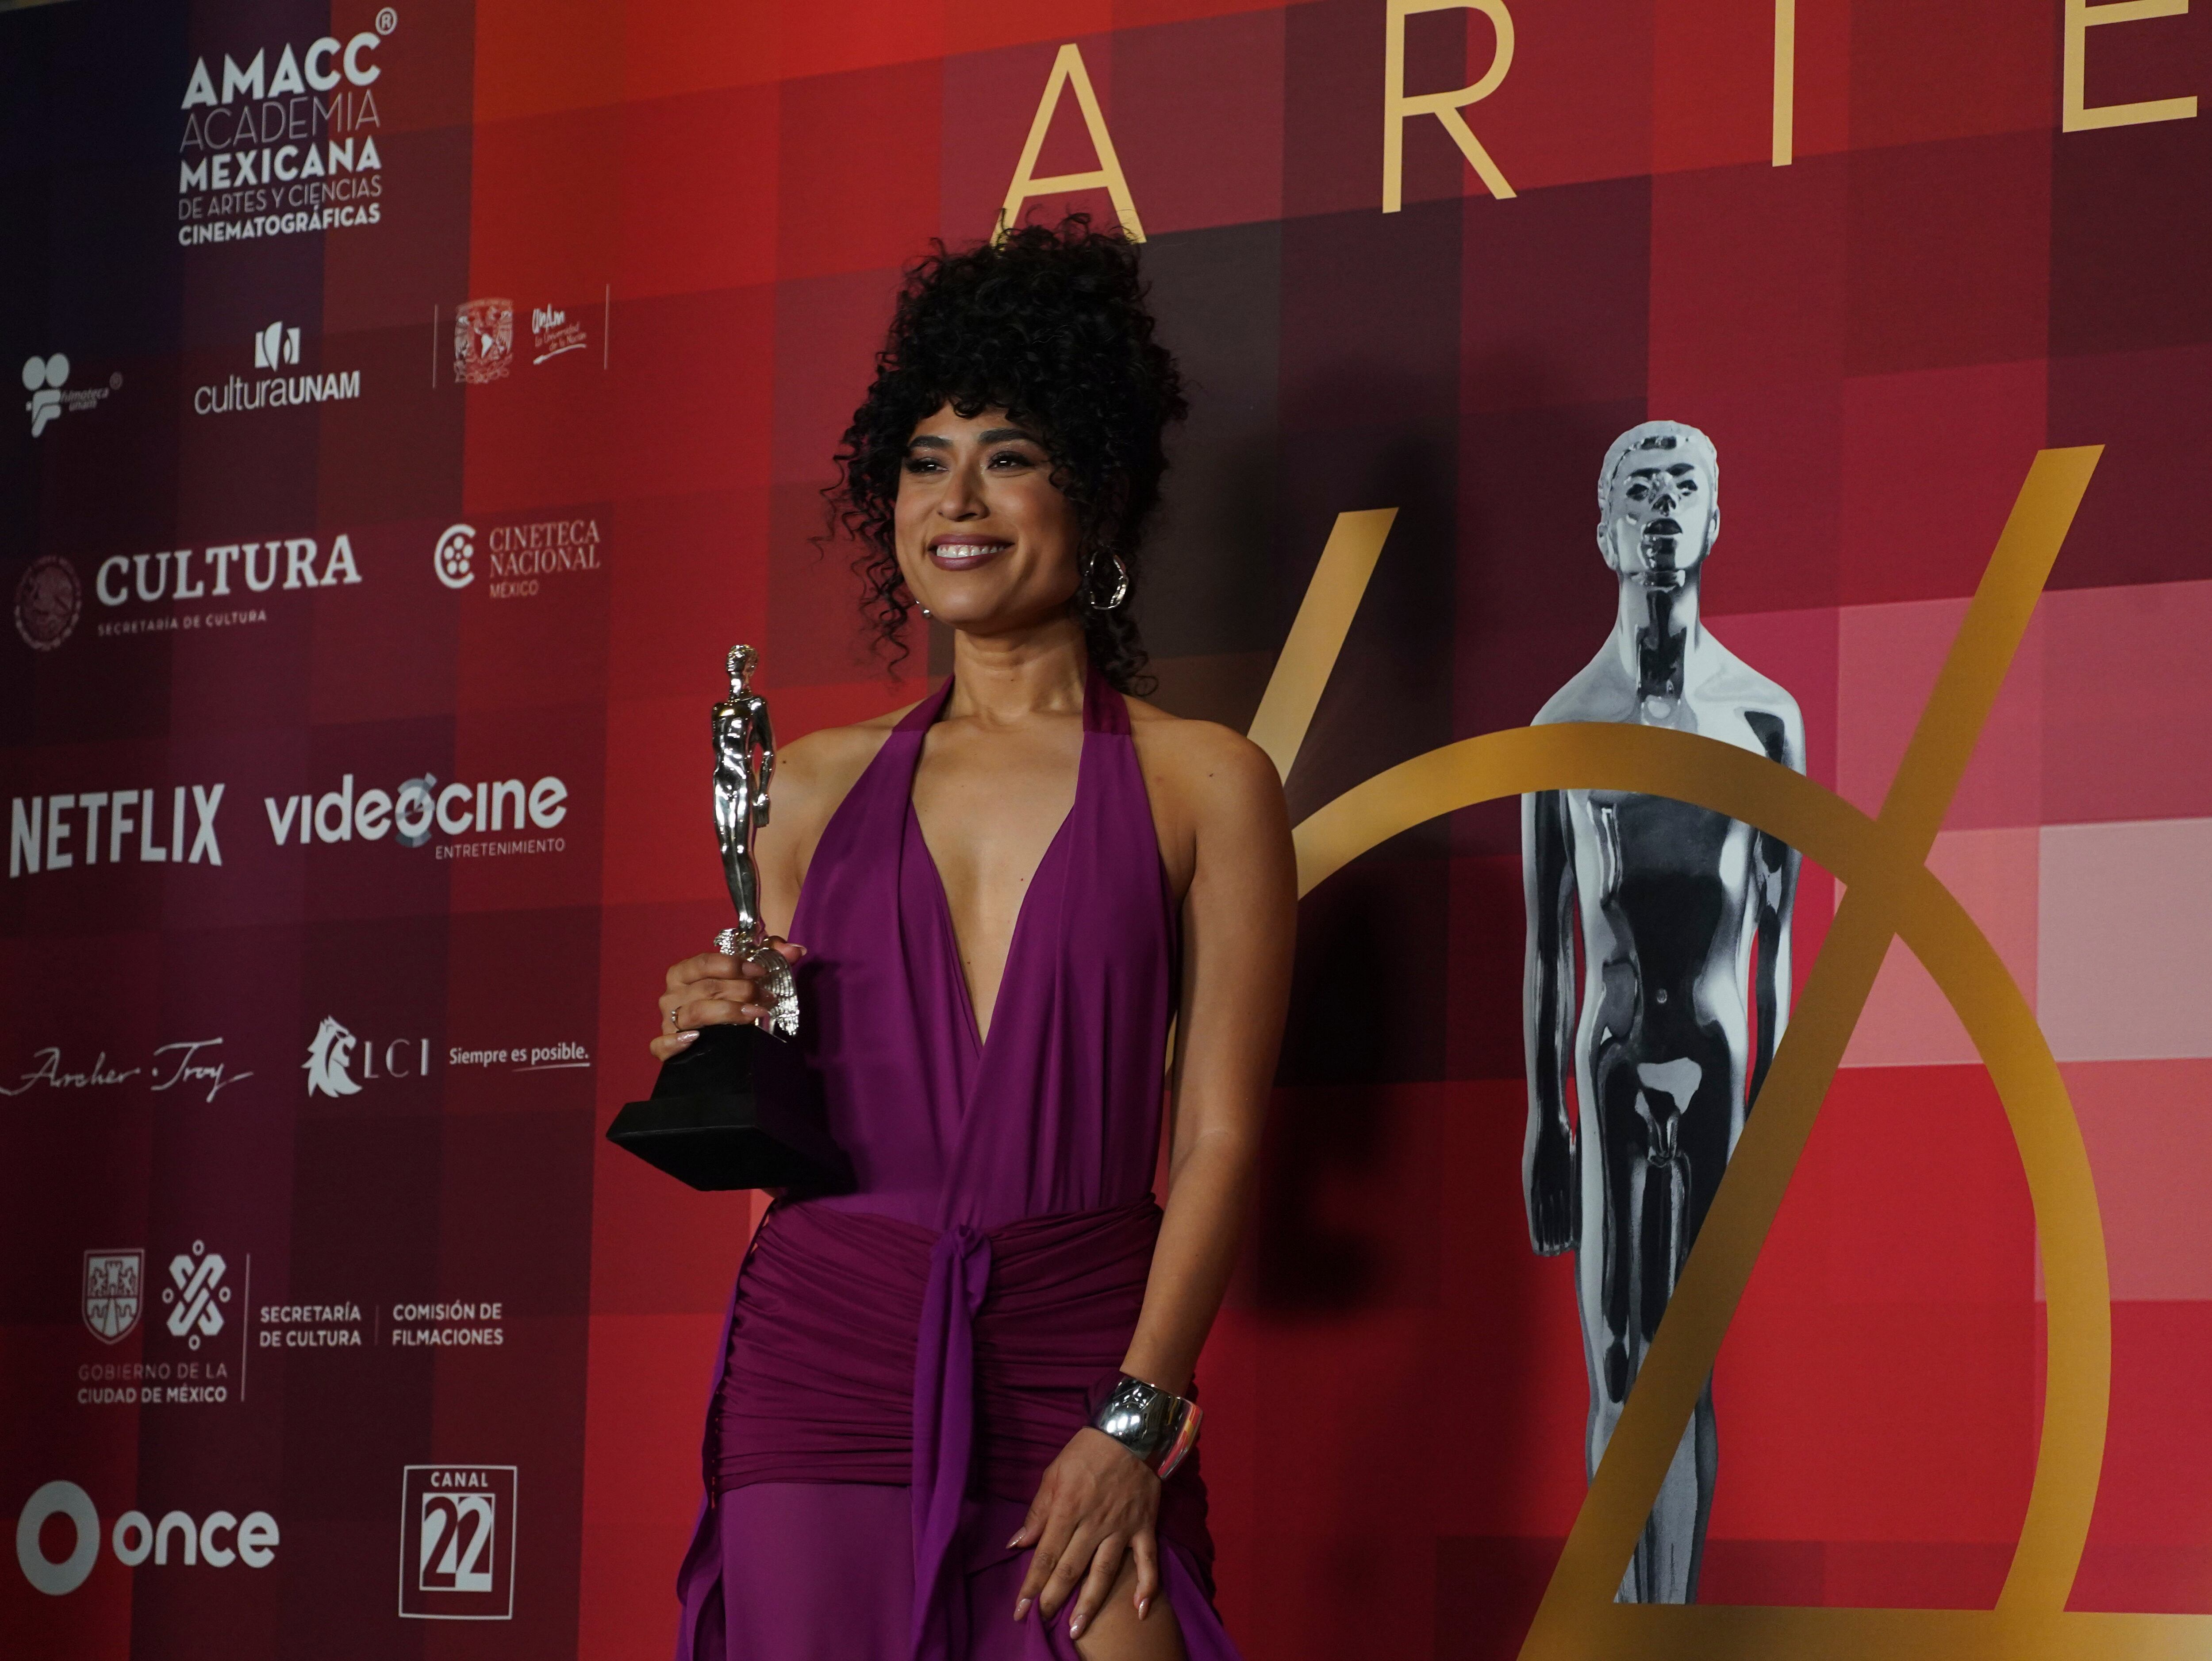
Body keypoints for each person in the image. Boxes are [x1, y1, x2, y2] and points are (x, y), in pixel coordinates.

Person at [650, 219, 1295, 1660]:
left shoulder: (1209, 784)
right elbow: (778, 1118)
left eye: (1007, 457)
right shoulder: (804, 790)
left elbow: (1218, 1139)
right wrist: (718, 1032)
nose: (957, 500)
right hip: (828, 1357)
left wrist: (1137, 1413)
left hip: (1083, 1346)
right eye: (924, 460)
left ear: (1097, 489)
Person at [1521, 421, 1804, 1602]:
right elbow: (1549, 944)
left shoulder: (1765, 717)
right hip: (1612, 1054)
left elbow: (1779, 940)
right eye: (1640, 489)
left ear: (1716, 518)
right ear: (1606, 529)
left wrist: (1776, 1114)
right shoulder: (1563, 724)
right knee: (1617, 1361)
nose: (1664, 507)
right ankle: (1628, 1626)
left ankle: (1667, 1621)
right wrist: (1544, 1120)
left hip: (1721, 1051)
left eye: (1685, 485)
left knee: (1685, 1362)